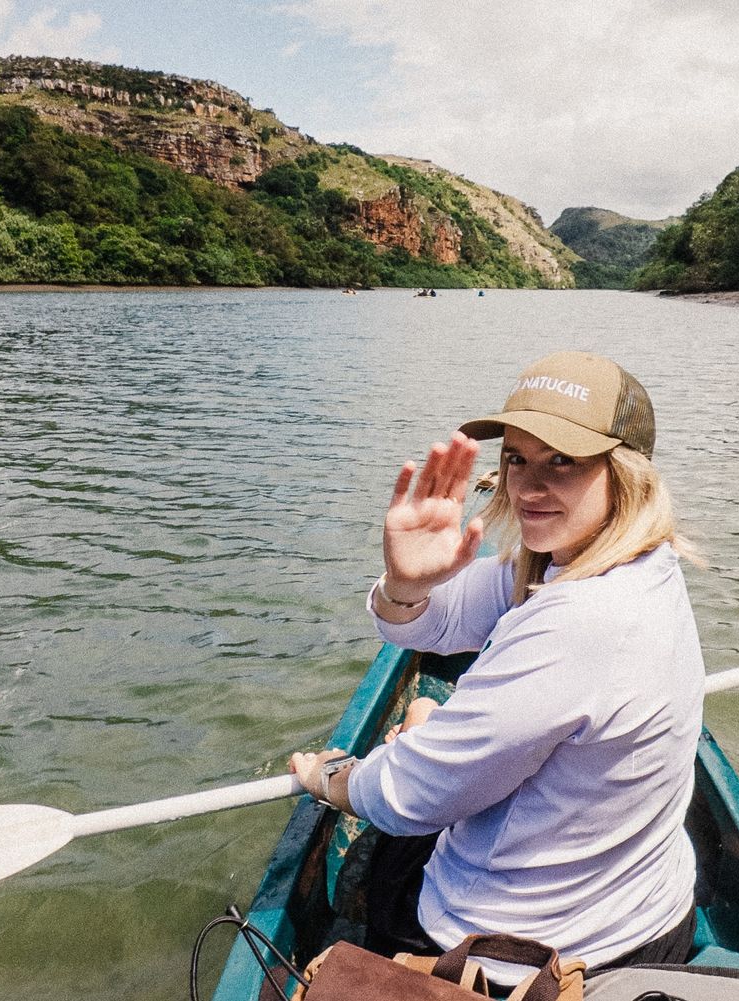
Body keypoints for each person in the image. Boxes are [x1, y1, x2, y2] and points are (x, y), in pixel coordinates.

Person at [289, 351, 704, 980]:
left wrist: (334, 777)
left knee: (390, 852)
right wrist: (407, 584)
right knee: (432, 725)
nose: (528, 487)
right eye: (517, 458)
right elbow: (436, 622)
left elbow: (410, 797)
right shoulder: (631, 562)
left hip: (523, 952)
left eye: (563, 461)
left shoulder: (582, 620)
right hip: (647, 910)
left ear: (626, 473)